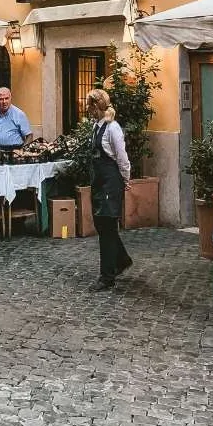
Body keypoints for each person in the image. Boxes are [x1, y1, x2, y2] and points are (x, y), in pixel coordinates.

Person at [87, 88, 132, 292]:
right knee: (103, 225)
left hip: (111, 182)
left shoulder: (113, 128)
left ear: (97, 106)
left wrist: (125, 178)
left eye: (90, 106)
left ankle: (107, 277)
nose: (88, 110)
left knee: (106, 226)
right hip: (99, 181)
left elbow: (122, 157)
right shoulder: (97, 126)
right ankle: (121, 260)